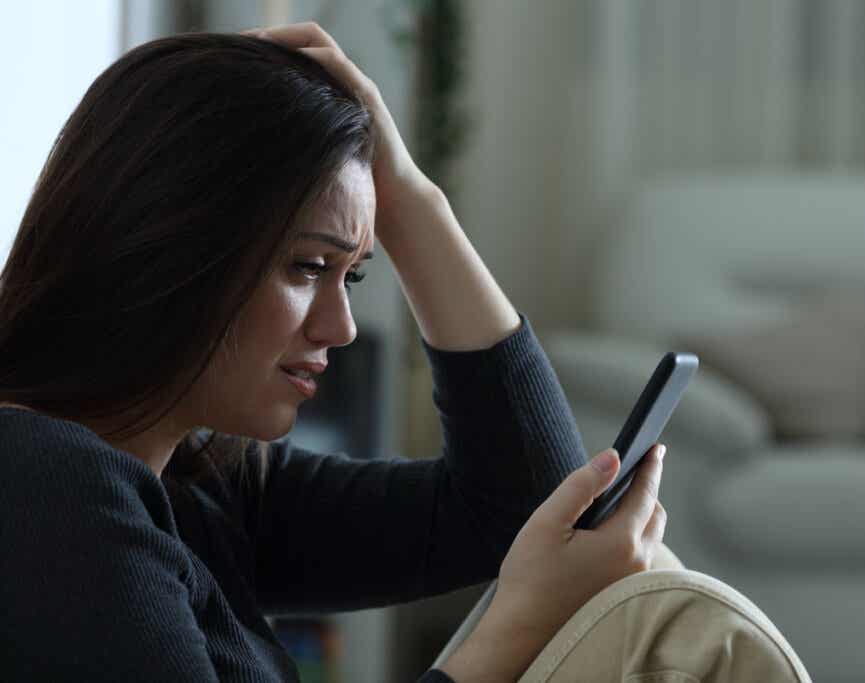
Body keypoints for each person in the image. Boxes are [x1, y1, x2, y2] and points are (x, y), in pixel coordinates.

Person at [0, 22, 668, 682]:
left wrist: (406, 192)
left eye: (351, 274)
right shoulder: (46, 489)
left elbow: (521, 503)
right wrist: (521, 620)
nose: (342, 327)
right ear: (167, 246)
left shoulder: (199, 480)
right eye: (308, 266)